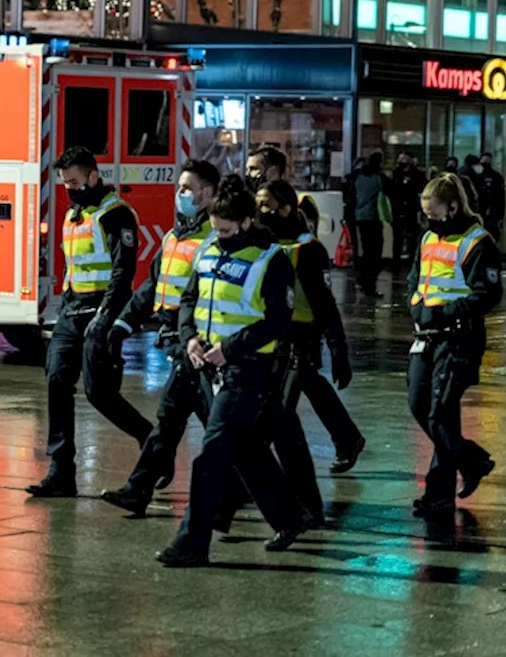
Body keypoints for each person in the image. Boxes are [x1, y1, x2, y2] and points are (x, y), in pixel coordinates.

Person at [156, 178, 307, 567]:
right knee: (244, 449)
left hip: (248, 369)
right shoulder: (208, 247)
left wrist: (230, 348)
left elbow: (277, 321)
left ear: (245, 222)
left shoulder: (270, 259)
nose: (219, 237)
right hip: (208, 365)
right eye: (216, 228)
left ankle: (192, 542)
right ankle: (291, 518)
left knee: (210, 455)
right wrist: (189, 337)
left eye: (226, 230)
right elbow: (190, 299)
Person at [27, 147, 151, 498]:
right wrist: (65, 303)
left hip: (101, 310)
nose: (69, 188)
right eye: (65, 183)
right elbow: (73, 265)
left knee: (100, 394)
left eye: (75, 182)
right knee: (56, 380)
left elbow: (122, 273)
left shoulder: (115, 215)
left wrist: (106, 316)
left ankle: (150, 439)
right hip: (72, 309)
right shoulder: (73, 213)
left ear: (94, 177)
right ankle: (61, 471)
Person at [101, 159, 220, 516]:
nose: (180, 194)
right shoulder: (174, 236)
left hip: (198, 346)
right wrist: (122, 324)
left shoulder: (213, 239)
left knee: (212, 426)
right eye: (180, 187)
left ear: (208, 193)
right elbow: (153, 287)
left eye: (187, 188)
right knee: (176, 423)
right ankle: (139, 491)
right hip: (177, 341)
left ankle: (252, 494)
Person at [406, 173, 502, 520]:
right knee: (420, 405)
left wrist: (445, 311)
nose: (429, 219)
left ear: (454, 206)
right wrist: (415, 306)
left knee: (440, 413)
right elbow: (415, 279)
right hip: (426, 335)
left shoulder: (478, 242)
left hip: (459, 338)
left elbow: (488, 294)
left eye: (434, 212)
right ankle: (472, 461)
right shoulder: (427, 238)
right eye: (425, 212)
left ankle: (439, 494)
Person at [256, 180, 364, 476]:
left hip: (299, 334)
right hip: (270, 333)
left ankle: (271, 476)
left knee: (280, 407)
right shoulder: (263, 243)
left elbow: (324, 303)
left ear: (286, 208)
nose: (260, 211)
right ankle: (347, 438)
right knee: (308, 385)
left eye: (266, 205)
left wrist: (337, 348)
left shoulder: (307, 249)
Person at [353, 151, 389, 298]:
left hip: (360, 218)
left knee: (367, 252)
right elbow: (390, 190)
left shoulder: (359, 177)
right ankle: (369, 286)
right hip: (373, 218)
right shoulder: (378, 177)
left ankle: (362, 280)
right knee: (375, 254)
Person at [391, 151, 426, 270]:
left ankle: (412, 263)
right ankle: (396, 263)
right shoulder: (395, 174)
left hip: (411, 210)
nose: (401, 162)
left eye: (404, 159)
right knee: (397, 238)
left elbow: (423, 188)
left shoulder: (417, 175)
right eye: (400, 159)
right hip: (398, 209)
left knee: (412, 239)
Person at [472, 152, 506, 241]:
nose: (486, 162)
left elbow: (500, 196)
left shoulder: (496, 177)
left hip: (492, 210)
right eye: (484, 160)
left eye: (488, 160)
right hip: (481, 209)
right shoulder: (476, 176)